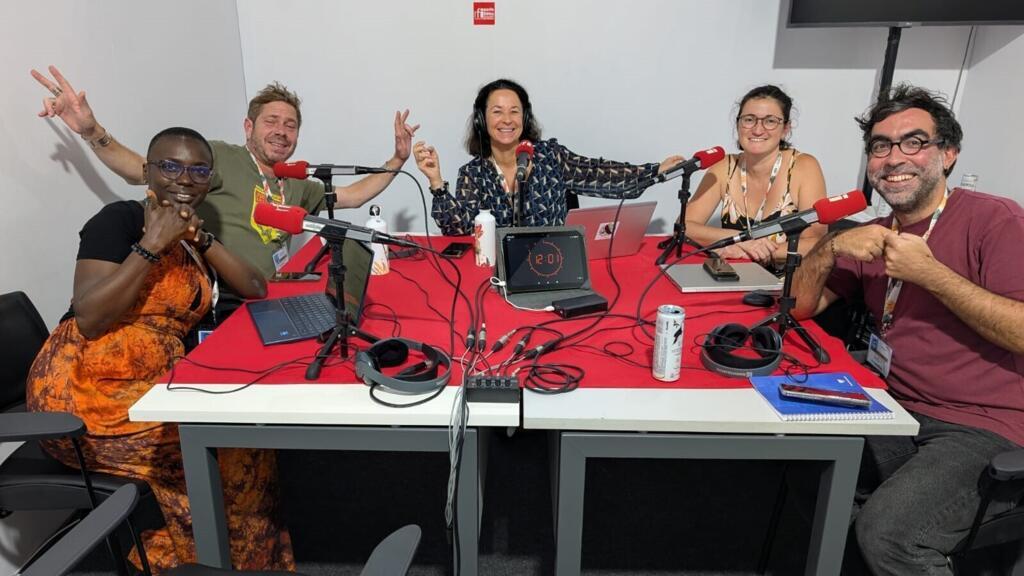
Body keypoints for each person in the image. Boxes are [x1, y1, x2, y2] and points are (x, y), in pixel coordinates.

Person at [26, 127, 294, 573]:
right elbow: (91, 316)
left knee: (242, 441)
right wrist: (150, 244)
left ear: (209, 179)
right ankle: (205, 561)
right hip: (83, 395)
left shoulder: (192, 239)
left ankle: (231, 560)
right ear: (148, 172)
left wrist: (201, 239)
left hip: (151, 388)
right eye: (170, 166)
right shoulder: (120, 220)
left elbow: (255, 286)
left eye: (198, 169)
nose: (183, 178)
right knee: (224, 450)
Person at [791, 84, 1024, 575]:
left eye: (913, 142)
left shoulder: (994, 219)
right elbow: (798, 306)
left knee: (889, 535)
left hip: (984, 424)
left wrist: (931, 273)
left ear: (948, 154)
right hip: (893, 408)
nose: (894, 157)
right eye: (880, 145)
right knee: (799, 463)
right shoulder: (876, 234)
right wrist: (829, 248)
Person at [32, 65, 418, 312]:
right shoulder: (219, 157)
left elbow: (351, 196)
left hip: (272, 291)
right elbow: (142, 171)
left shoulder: (296, 179)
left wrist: (397, 161)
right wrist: (92, 131)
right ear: (249, 127)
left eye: (290, 125)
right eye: (271, 121)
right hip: (228, 298)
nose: (281, 132)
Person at [412, 78, 684, 235]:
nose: (507, 120)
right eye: (497, 111)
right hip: (498, 275)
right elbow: (457, 229)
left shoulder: (550, 157)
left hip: (553, 264)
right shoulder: (473, 174)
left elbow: (599, 174)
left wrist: (654, 170)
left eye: (514, 111)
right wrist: (436, 182)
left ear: (525, 117)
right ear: (483, 120)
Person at [685, 85, 827, 266]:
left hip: (786, 285)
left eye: (770, 121)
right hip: (732, 277)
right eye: (749, 120)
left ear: (786, 128)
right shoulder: (723, 167)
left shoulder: (804, 166)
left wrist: (751, 252)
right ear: (738, 125)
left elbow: (815, 242)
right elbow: (684, 227)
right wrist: (741, 240)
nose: (758, 130)